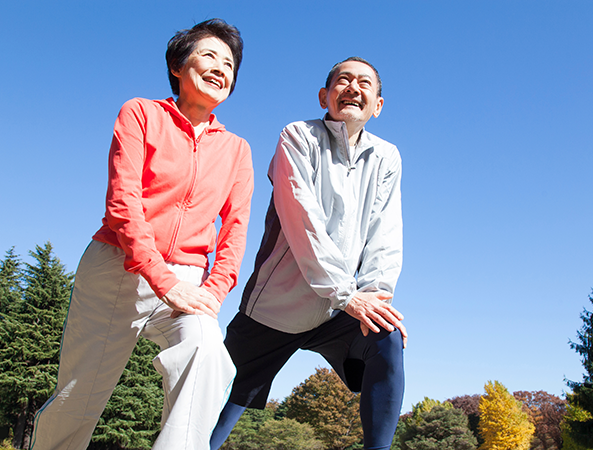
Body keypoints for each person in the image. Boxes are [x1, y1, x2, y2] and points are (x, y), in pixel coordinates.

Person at [30, 18, 253, 450]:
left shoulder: (237, 149)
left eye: (229, 63)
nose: (220, 67)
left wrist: (215, 290)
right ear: (177, 65)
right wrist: (159, 277)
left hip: (190, 280)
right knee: (79, 397)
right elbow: (122, 202)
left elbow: (235, 229)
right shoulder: (141, 113)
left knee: (208, 356)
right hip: (119, 267)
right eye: (208, 55)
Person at [210, 57, 406, 450]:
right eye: (343, 80)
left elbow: (384, 232)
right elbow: (302, 218)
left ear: (378, 105)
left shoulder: (387, 157)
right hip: (277, 306)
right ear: (324, 96)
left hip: (341, 311)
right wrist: (347, 294)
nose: (353, 87)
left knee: (388, 337)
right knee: (215, 404)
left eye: (364, 83)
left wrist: (375, 295)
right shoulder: (298, 135)